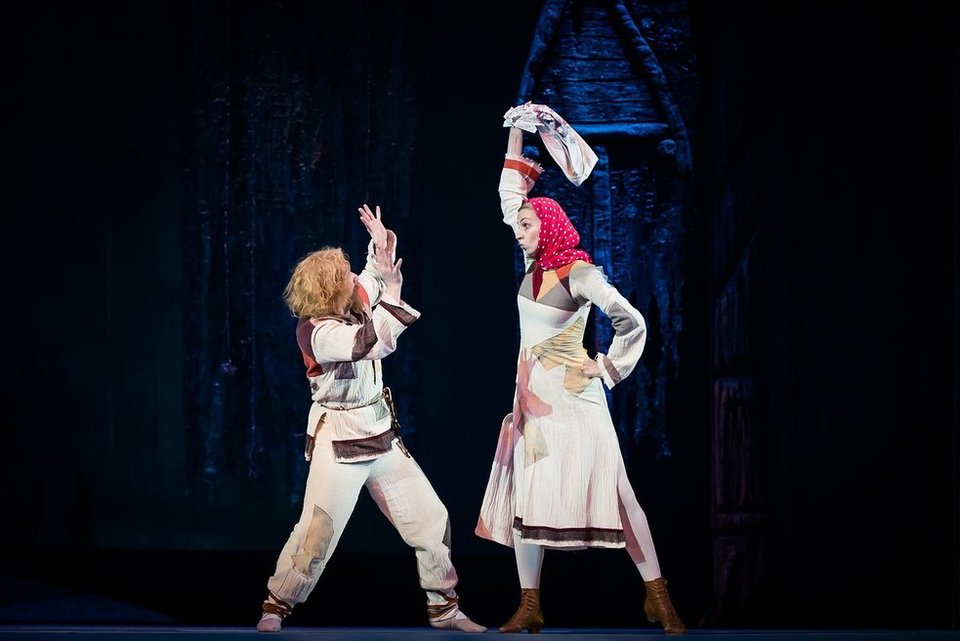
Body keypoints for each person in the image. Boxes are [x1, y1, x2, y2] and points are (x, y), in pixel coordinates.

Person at [475, 105, 688, 636]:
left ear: (547, 228)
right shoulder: (534, 264)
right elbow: (510, 198)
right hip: (533, 404)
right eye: (521, 224)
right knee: (527, 495)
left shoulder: (578, 272)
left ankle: (658, 597)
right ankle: (530, 604)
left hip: (576, 401)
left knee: (618, 493)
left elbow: (631, 319)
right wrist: (517, 130)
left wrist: (607, 365)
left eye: (527, 225)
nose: (519, 230)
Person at [256, 204, 485, 633]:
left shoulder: (351, 301)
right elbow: (367, 343)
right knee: (316, 532)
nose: (353, 279)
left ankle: (444, 608)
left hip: (379, 434)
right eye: (344, 275)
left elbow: (372, 277)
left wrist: (381, 247)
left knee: (430, 518)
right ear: (329, 289)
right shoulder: (317, 331)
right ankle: (277, 604)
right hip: (339, 441)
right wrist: (393, 295)